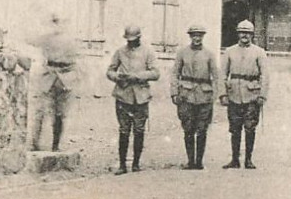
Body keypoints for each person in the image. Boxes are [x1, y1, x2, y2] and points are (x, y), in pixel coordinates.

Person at [106, 24, 160, 175]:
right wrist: (117, 77)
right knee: (123, 130)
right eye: (128, 40)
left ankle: (136, 163)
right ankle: (122, 165)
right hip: (123, 96)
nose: (130, 43)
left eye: (133, 40)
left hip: (141, 97)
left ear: (139, 38)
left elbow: (156, 73)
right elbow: (110, 70)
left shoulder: (148, 52)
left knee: (139, 130)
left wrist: (137, 76)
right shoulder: (119, 52)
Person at [220, 18, 269, 169]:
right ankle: (235, 159)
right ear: (237, 34)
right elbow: (222, 73)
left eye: (248, 33)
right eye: (242, 33)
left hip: (252, 94)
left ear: (252, 35)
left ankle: (248, 159)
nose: (244, 36)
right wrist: (223, 94)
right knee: (234, 128)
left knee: (250, 127)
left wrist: (262, 95)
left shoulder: (259, 52)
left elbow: (265, 75)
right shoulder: (229, 51)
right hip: (234, 93)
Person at [171, 22, 218, 170]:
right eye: (194, 35)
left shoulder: (209, 54)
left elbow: (216, 76)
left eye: (200, 35)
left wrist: (215, 96)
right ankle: (190, 160)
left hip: (204, 96)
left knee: (202, 129)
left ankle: (199, 161)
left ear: (203, 37)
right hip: (186, 95)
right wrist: (174, 92)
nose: (197, 38)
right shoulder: (182, 53)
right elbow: (175, 74)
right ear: (190, 36)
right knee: (188, 128)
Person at [30, 13, 79, 153]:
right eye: (55, 22)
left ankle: (55, 145)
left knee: (60, 114)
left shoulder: (72, 41)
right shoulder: (45, 38)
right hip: (48, 76)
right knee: (41, 110)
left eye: (60, 22)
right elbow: (30, 40)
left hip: (65, 78)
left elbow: (75, 61)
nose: (57, 25)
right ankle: (35, 143)